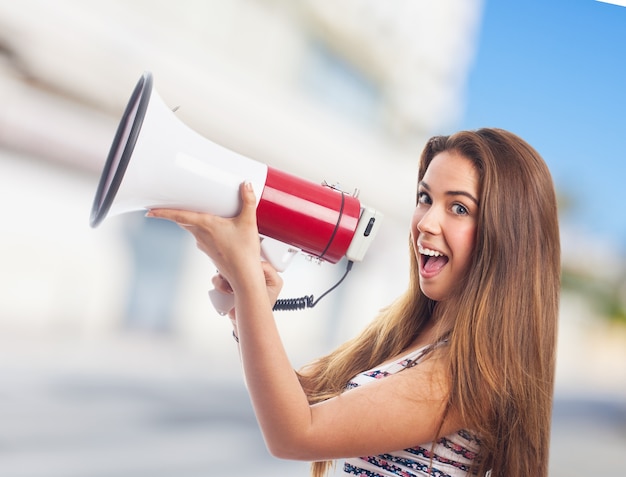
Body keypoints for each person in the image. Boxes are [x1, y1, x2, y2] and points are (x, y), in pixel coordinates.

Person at [146, 128, 561, 477]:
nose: (427, 223)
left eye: (458, 207)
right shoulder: (414, 332)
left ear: (509, 236)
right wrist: (246, 306)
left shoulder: (468, 373)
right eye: (425, 198)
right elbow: (304, 399)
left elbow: (297, 433)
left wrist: (248, 286)